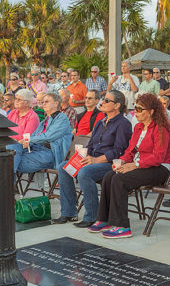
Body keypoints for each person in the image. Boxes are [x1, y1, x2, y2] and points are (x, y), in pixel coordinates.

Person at [87, 93, 170, 239]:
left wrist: (135, 165)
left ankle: (122, 226)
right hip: (141, 165)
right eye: (135, 108)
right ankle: (105, 219)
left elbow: (158, 158)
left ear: (151, 111)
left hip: (159, 169)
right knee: (109, 176)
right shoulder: (139, 128)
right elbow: (130, 151)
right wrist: (122, 161)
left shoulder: (160, 129)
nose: (136, 112)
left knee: (120, 180)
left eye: (140, 109)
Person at [54, 90, 132, 226]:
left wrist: (95, 160)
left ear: (117, 105)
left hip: (110, 163)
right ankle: (69, 212)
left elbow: (119, 151)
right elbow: (90, 145)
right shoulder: (100, 122)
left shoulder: (123, 124)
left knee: (85, 172)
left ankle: (92, 216)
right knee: (63, 167)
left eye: (107, 101)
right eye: (103, 99)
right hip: (93, 159)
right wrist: (82, 157)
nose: (102, 102)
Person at [16, 93, 72, 177]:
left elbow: (49, 136)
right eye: (43, 102)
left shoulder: (62, 118)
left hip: (50, 152)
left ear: (56, 103)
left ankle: (9, 185)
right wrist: (25, 142)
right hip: (37, 150)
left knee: (11, 161)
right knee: (12, 149)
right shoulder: (44, 121)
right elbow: (34, 136)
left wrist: (29, 140)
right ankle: (11, 186)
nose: (43, 104)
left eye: (46, 101)